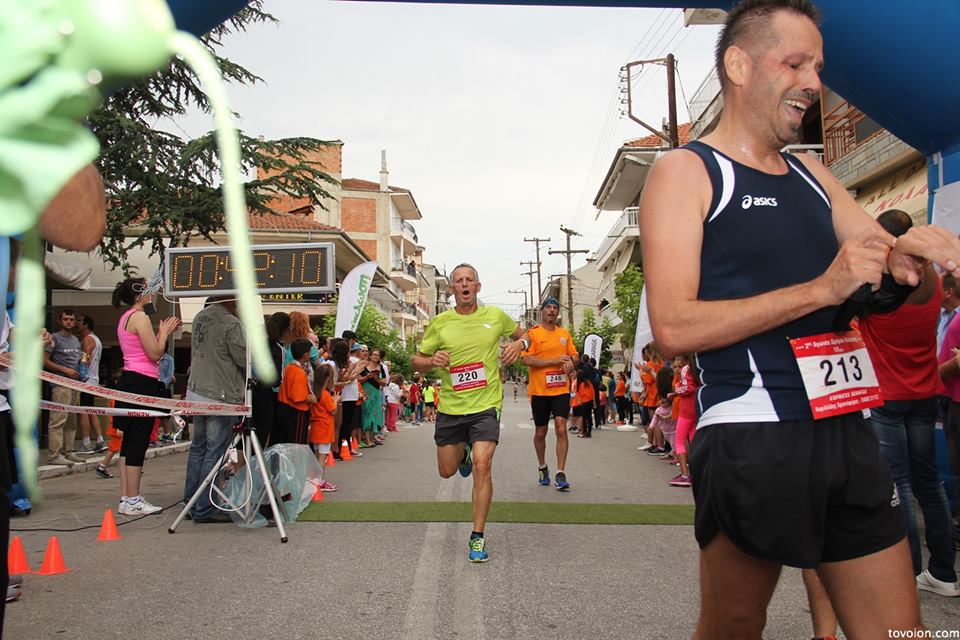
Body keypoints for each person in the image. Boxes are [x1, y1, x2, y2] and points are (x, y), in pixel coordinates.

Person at [638, 1, 960, 635]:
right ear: (739, 65)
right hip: (754, 431)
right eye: (795, 64)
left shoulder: (813, 171)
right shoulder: (687, 171)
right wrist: (820, 289)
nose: (813, 82)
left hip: (849, 427)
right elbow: (673, 328)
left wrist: (915, 261)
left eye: (817, 66)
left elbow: (882, 269)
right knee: (734, 626)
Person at [858, 210, 957, 596]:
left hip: (888, 394)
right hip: (926, 392)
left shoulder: (885, 284)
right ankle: (944, 573)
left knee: (898, 485)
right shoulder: (932, 282)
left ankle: (906, 572)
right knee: (928, 483)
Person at [412, 263, 528, 562]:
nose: (464, 284)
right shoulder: (440, 323)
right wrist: (431, 361)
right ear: (452, 289)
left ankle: (477, 536)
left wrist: (520, 343)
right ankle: (462, 453)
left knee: (483, 465)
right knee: (446, 471)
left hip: (486, 404)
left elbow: (526, 334)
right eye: (459, 281)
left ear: (478, 286)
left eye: (469, 280)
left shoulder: (495, 316)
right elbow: (417, 360)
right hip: (452, 406)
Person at [111, 278, 181, 516]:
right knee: (138, 442)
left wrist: (160, 333)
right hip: (142, 382)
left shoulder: (125, 317)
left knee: (129, 441)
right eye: (149, 290)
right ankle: (133, 499)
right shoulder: (140, 317)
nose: (153, 294)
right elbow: (155, 353)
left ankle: (127, 498)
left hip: (130, 380)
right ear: (140, 294)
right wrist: (164, 333)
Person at [182, 297, 247, 524]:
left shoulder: (200, 317)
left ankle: (190, 502)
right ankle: (205, 508)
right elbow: (244, 358)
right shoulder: (231, 323)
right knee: (215, 451)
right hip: (220, 393)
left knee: (198, 448)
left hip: (196, 391)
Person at [521, 297, 578, 490]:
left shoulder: (564, 334)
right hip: (540, 391)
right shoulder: (533, 334)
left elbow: (575, 355)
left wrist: (571, 362)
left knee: (561, 428)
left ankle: (561, 473)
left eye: (555, 307)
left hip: (561, 389)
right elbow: (527, 360)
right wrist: (554, 361)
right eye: (548, 307)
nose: (552, 310)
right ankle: (542, 466)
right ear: (542, 311)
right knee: (541, 432)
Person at [42, 309, 84, 465]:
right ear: (60, 321)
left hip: (74, 383)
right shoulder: (53, 338)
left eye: (71, 319)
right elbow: (44, 361)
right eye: (66, 319)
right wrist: (65, 370)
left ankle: (69, 451)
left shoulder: (75, 340)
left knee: (71, 419)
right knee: (58, 419)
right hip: (60, 384)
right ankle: (54, 454)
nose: (69, 322)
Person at [75, 314, 106, 453]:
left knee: (83, 411)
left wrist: (81, 374)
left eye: (79, 321)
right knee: (91, 410)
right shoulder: (96, 339)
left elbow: (85, 357)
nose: (77, 324)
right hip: (93, 379)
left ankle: (86, 443)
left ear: (86, 325)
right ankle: (100, 440)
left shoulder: (88, 339)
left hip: (86, 380)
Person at [277, 338, 315, 445]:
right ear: (305, 355)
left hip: (285, 408)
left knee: (286, 440)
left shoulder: (289, 367)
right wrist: (311, 398)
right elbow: (297, 396)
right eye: (310, 352)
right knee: (296, 443)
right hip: (297, 411)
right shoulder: (298, 372)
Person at [309, 363, 338, 492]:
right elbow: (333, 410)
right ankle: (320, 481)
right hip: (325, 428)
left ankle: (315, 479)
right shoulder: (325, 394)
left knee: (317, 454)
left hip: (315, 427)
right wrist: (335, 400)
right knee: (323, 456)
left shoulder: (314, 392)